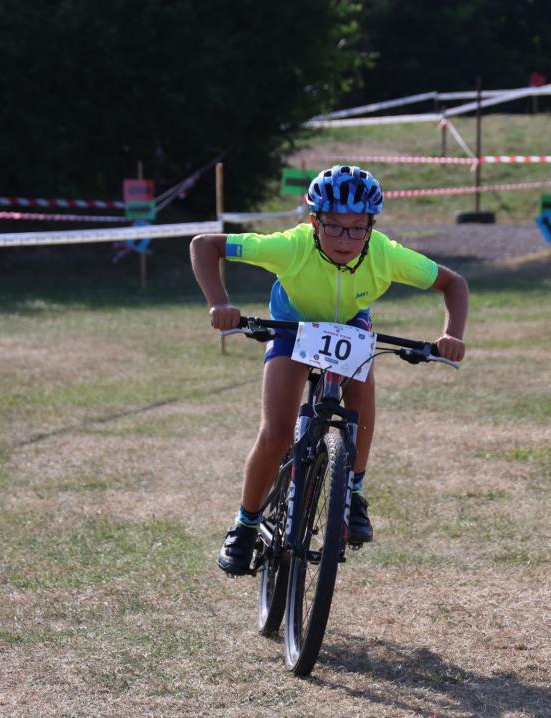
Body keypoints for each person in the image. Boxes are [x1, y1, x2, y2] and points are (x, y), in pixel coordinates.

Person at [190, 165, 469, 576]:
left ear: (372, 227)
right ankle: (244, 525)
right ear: (313, 221)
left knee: (361, 394)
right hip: (293, 325)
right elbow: (204, 245)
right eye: (334, 226)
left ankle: (353, 491)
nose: (345, 239)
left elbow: (454, 283)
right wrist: (219, 302)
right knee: (276, 433)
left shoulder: (385, 254)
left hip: (349, 325)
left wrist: (452, 334)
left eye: (358, 229)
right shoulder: (290, 246)